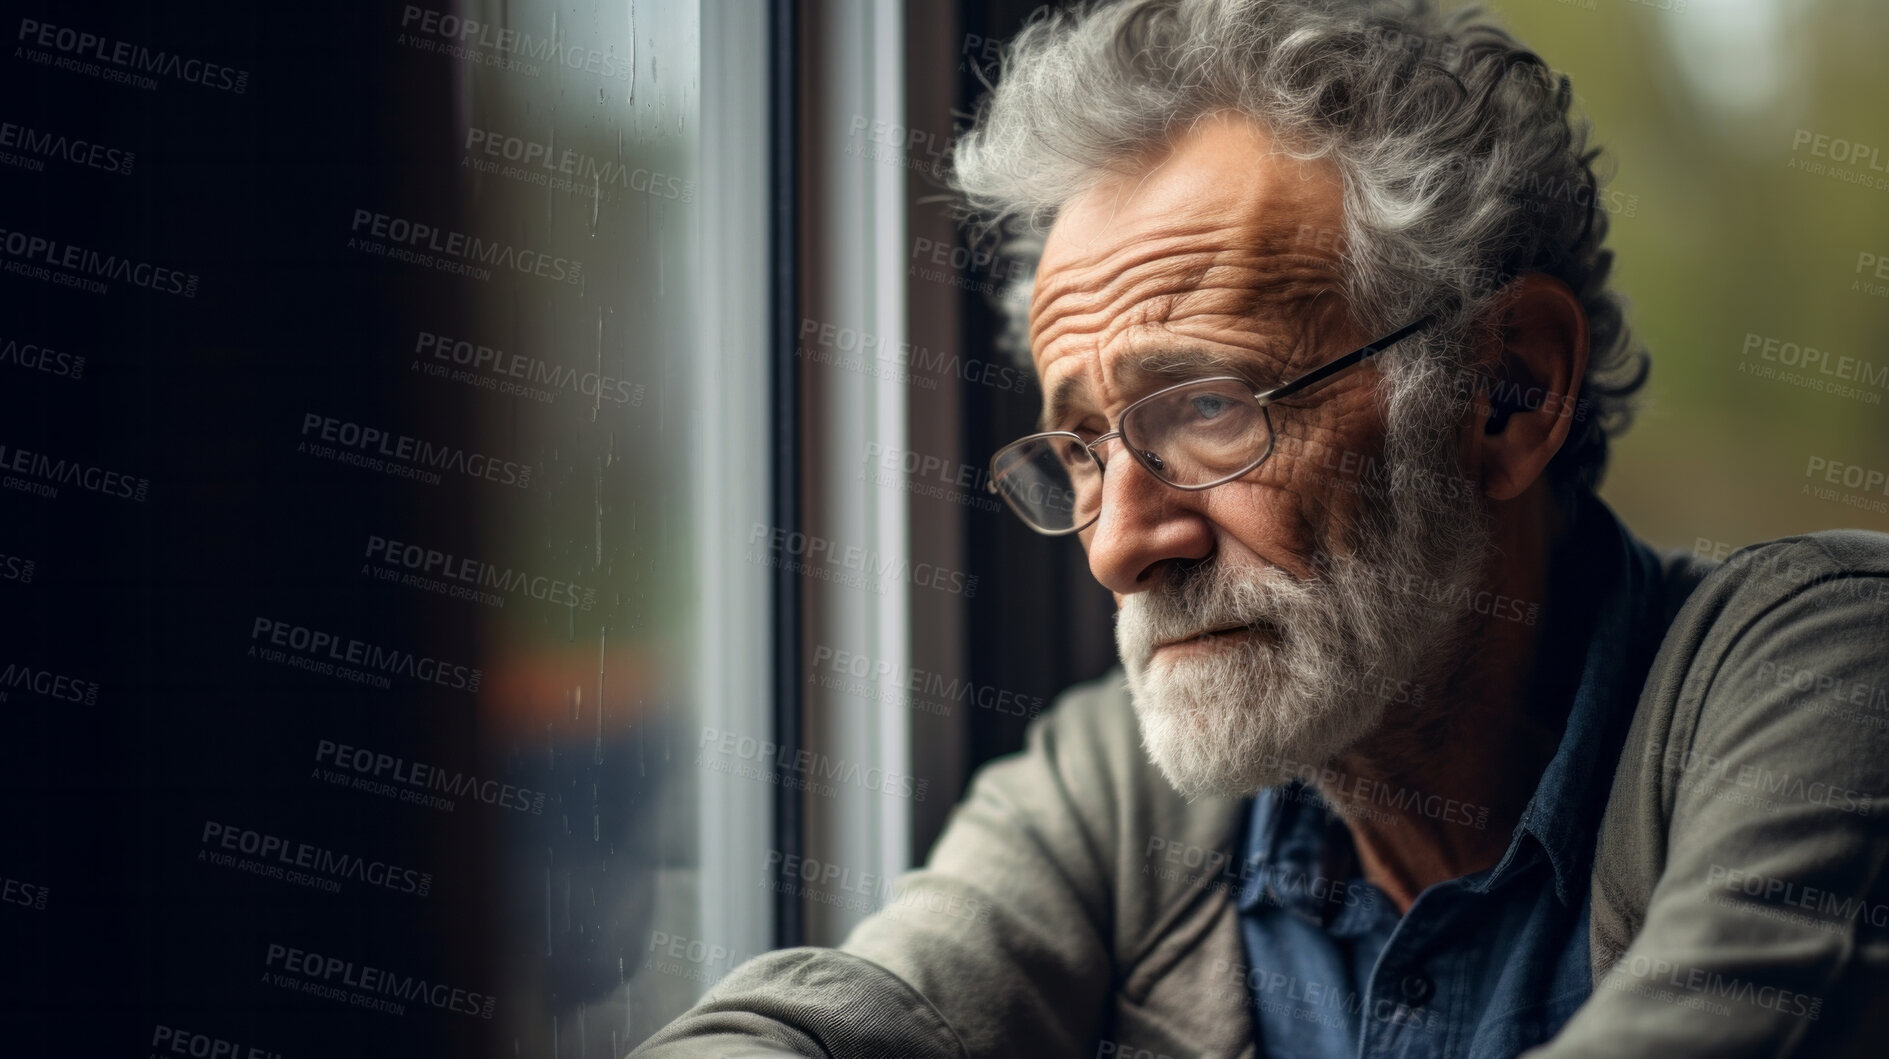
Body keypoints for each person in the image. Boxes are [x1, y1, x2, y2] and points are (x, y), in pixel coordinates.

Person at [636, 1, 1889, 1054]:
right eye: (1081, 448)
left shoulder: (1816, 673)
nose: (1121, 545)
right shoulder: (1114, 790)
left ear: (1504, 394)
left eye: (1207, 409)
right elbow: (836, 1025)